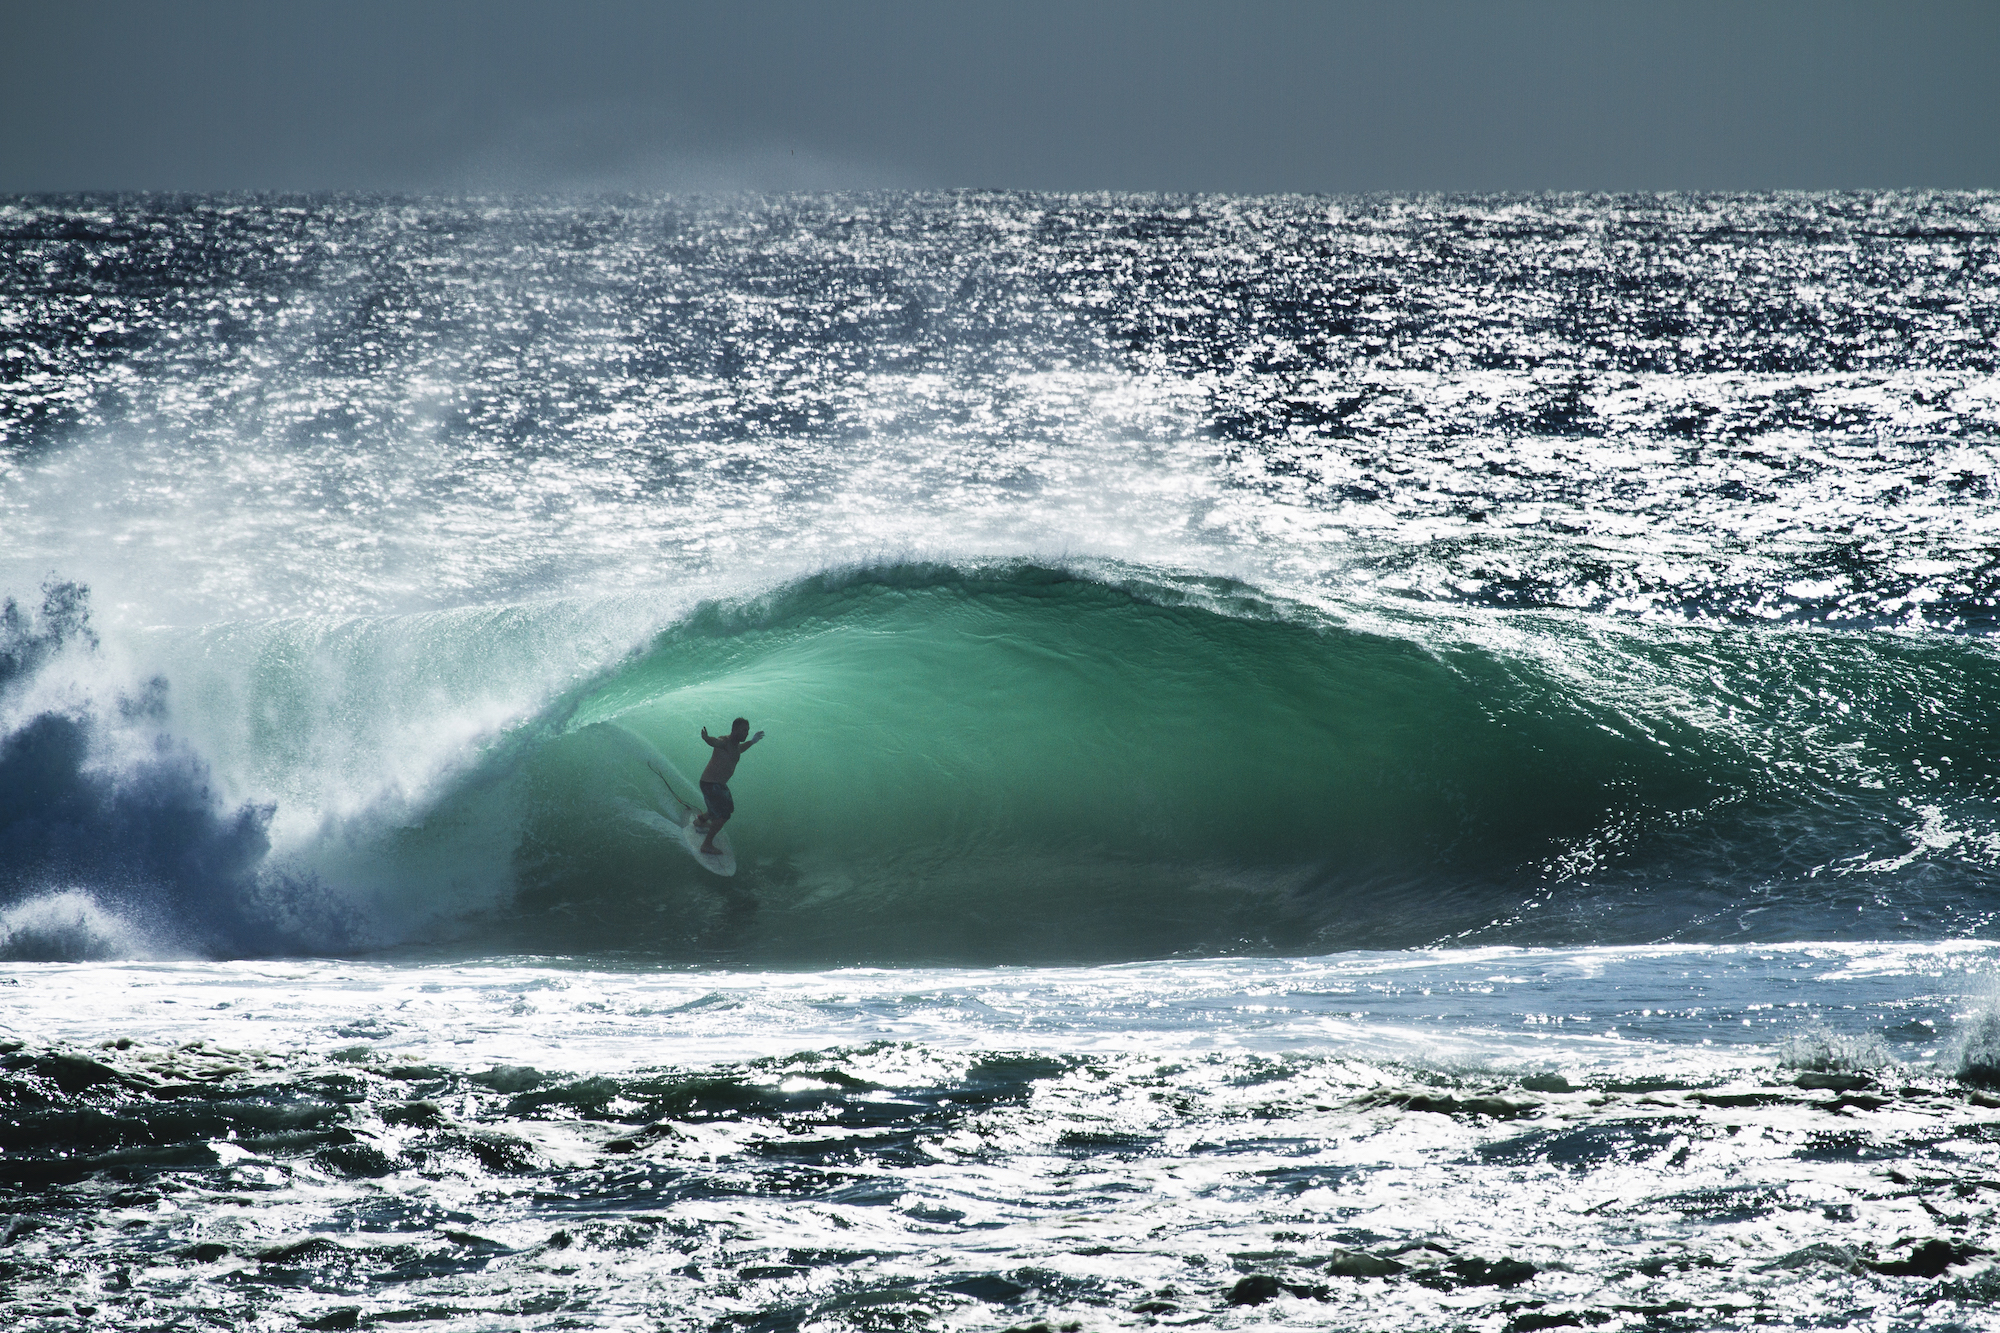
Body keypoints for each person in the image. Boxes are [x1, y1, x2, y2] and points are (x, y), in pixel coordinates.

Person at [693, 717, 763, 855]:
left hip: (719, 785)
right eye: (744, 730)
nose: (746, 733)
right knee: (722, 816)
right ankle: (706, 845)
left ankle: (700, 821)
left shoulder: (736, 746)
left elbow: (740, 749)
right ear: (735, 729)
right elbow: (715, 742)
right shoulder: (725, 741)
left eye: (747, 730)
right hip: (710, 784)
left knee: (727, 808)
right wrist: (707, 739)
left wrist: (752, 741)